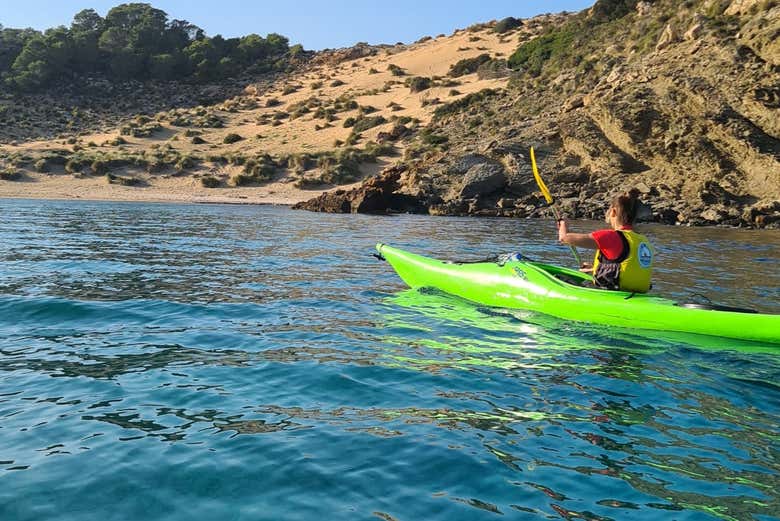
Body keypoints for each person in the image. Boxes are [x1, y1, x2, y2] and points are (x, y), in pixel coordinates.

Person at [557, 189, 654, 293]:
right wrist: (594, 268)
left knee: (557, 278)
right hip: (637, 293)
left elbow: (564, 238)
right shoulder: (643, 241)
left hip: (612, 292)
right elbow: (629, 267)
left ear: (613, 212)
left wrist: (563, 225)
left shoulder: (610, 236)